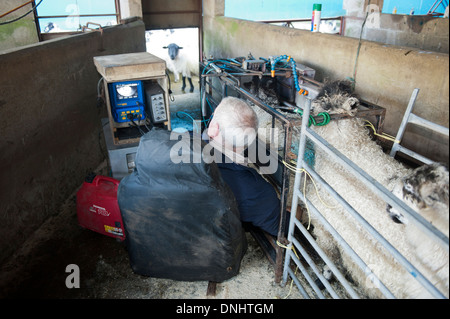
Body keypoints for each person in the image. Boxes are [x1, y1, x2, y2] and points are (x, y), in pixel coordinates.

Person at [205, 96, 280, 237]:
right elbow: (282, 227)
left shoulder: (175, 144)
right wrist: (296, 210)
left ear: (213, 128)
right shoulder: (256, 191)